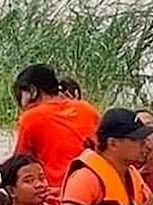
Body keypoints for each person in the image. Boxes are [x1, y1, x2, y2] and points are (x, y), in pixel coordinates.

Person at [12, 63, 101, 191]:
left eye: (21, 94)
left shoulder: (31, 118)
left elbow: (19, 163)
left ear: (32, 91)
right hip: (94, 187)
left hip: (56, 192)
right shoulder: (87, 108)